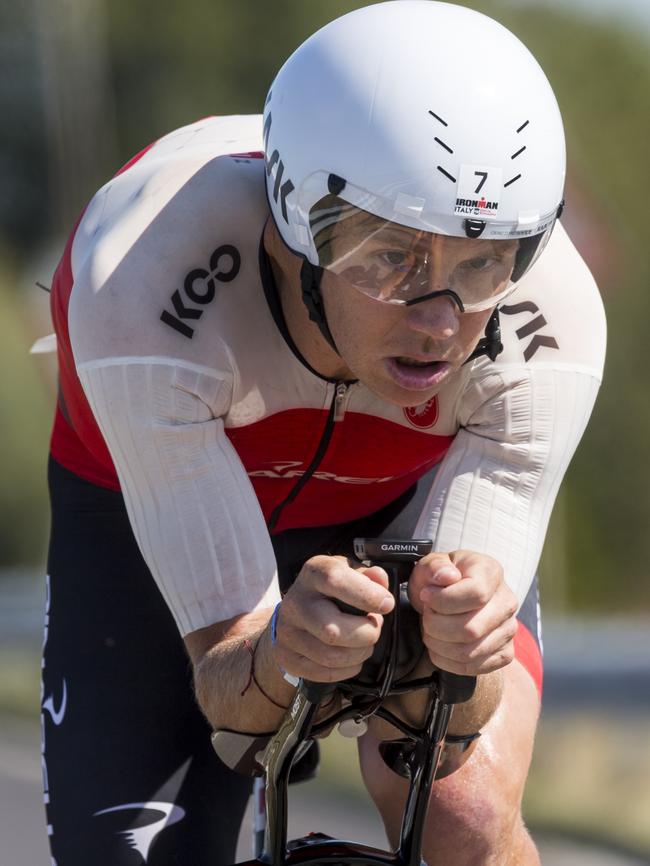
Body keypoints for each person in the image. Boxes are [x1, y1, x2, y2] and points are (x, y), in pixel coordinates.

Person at [41, 2, 606, 864]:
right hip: (143, 500)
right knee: (127, 851)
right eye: (390, 256)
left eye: (484, 262)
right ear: (294, 225)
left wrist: (458, 657)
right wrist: (274, 659)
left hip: (399, 494)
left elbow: (454, 708)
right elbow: (233, 690)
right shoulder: (142, 280)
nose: (439, 322)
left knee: (464, 817)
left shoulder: (553, 323)